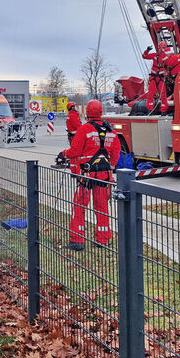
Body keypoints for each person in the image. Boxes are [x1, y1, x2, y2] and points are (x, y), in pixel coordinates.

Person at [57, 99, 120, 251]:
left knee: (79, 206)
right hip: (104, 176)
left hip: (86, 176)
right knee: (102, 208)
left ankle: (77, 240)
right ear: (101, 112)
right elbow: (116, 155)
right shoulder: (112, 132)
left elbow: (75, 151)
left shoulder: (85, 129)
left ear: (87, 113)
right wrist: (109, 167)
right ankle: (103, 240)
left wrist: (63, 154)